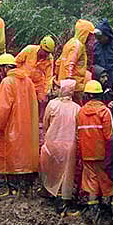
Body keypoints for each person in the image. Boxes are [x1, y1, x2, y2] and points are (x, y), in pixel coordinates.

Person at [0, 53, 40, 197]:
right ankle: (27, 189)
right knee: (25, 158)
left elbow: (3, 108)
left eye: (0, 69)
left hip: (11, 128)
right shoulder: (28, 81)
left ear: (5, 68)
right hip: (28, 129)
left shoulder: (7, 82)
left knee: (11, 159)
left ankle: (13, 190)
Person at [77, 79, 113, 224]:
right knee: (109, 184)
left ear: (87, 95)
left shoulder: (81, 113)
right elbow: (109, 136)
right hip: (103, 155)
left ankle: (95, 220)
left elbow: (78, 136)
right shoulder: (105, 112)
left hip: (87, 155)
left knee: (91, 185)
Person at [40, 80, 80, 214]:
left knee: (51, 170)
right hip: (69, 145)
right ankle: (63, 201)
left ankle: (50, 192)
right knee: (66, 174)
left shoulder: (52, 105)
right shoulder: (77, 108)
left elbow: (45, 122)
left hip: (53, 142)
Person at [57, 19, 96, 103]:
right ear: (85, 33)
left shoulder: (70, 43)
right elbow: (70, 64)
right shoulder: (78, 46)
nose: (92, 38)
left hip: (65, 85)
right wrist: (69, 86)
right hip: (74, 87)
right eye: (90, 35)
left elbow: (59, 62)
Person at [15, 36, 56, 114]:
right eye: (45, 52)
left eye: (48, 53)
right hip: (23, 79)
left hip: (38, 83)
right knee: (22, 100)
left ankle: (40, 119)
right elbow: (17, 62)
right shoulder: (29, 49)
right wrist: (18, 75)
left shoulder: (49, 59)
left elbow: (48, 77)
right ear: (40, 47)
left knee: (42, 100)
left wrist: (46, 92)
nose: (46, 55)